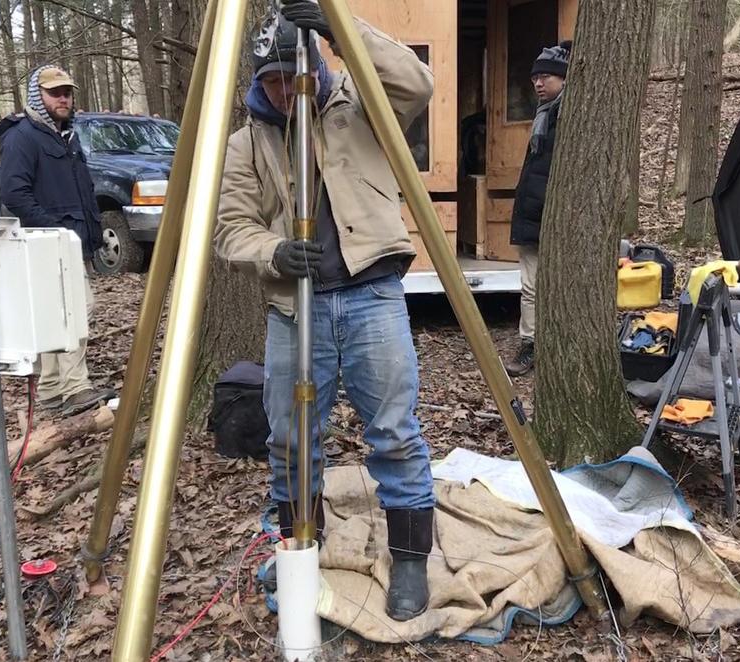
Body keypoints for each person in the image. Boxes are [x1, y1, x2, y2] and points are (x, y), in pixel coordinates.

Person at [215, 0, 435, 622]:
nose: (287, 91)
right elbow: (231, 228)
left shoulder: (360, 106)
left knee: (394, 431)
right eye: (272, 81)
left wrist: (342, 29)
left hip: (372, 297)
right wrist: (274, 251)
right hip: (295, 308)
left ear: (316, 66)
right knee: (290, 439)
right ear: (258, 84)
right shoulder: (246, 142)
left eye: (295, 75)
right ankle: (296, 551)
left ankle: (411, 560)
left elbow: (417, 82)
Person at [0, 65, 115, 417]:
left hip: (71, 242)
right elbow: (14, 194)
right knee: (76, 311)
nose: (63, 98)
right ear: (38, 96)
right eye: (54, 92)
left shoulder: (68, 136)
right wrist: (54, 232)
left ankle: (50, 389)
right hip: (47, 244)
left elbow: (82, 190)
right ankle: (75, 387)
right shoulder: (22, 137)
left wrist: (94, 236)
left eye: (67, 92)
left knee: (57, 314)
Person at [504, 41, 572, 377]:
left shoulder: (572, 118)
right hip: (534, 217)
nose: (538, 83)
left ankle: (559, 345)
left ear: (564, 79)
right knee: (530, 286)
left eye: (546, 76)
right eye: (535, 78)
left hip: (558, 220)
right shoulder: (544, 116)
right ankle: (530, 344)